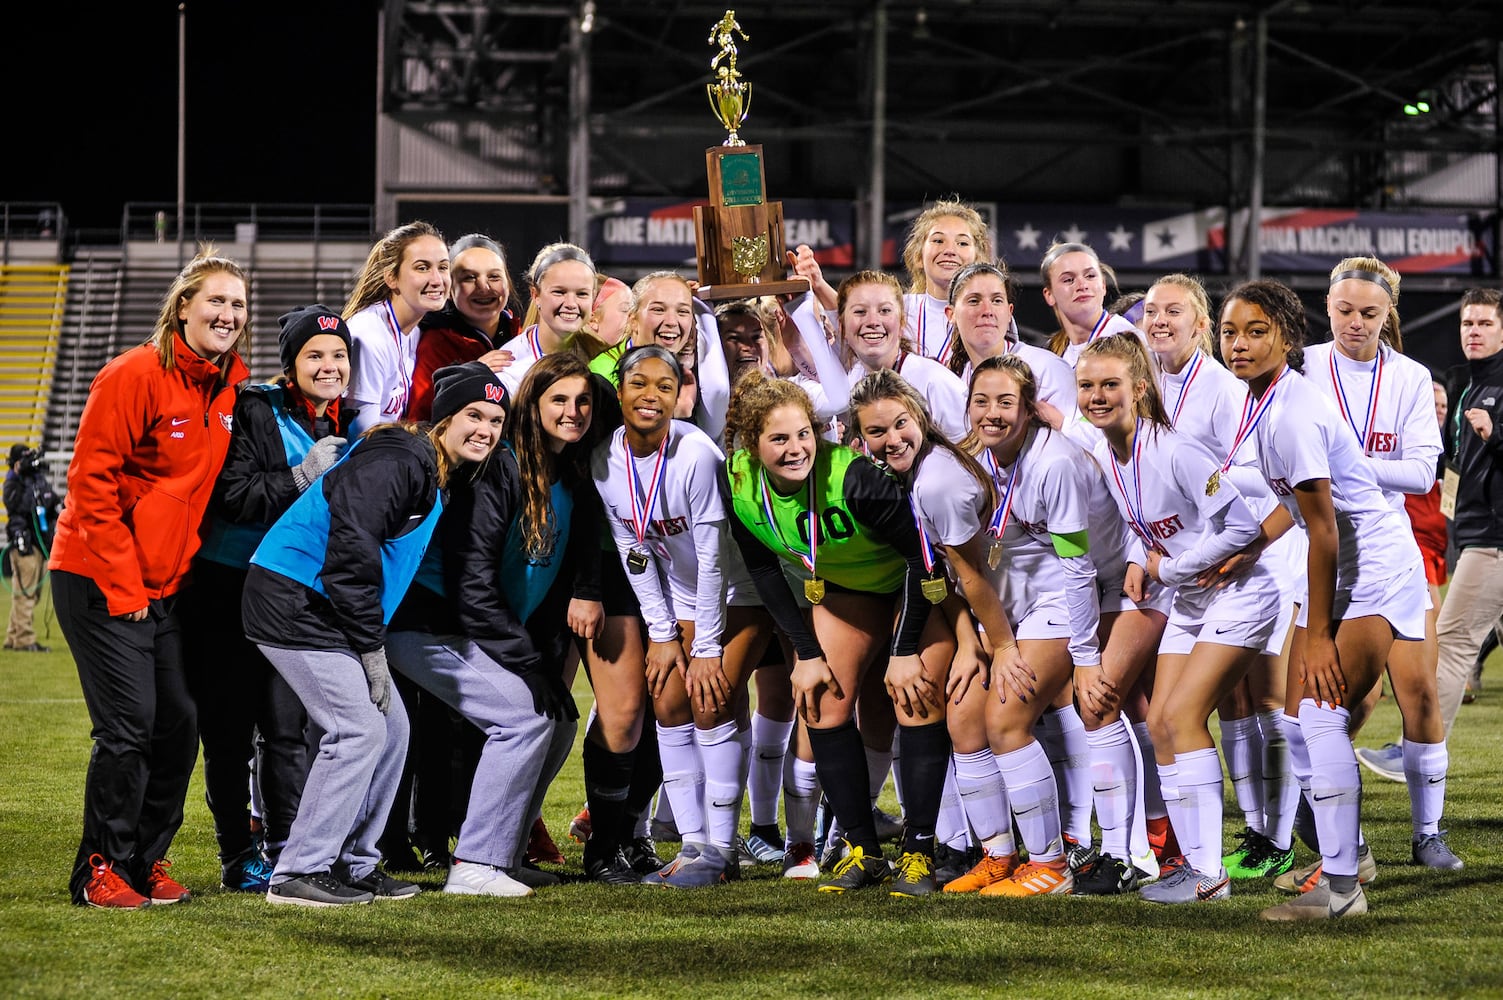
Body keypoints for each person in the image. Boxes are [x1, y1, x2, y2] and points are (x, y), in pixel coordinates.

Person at [242, 367, 499, 907]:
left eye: (496, 420)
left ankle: (352, 863)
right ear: (445, 419)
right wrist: (371, 648)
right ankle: (298, 871)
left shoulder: (429, 466)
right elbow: (349, 556)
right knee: (356, 729)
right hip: (294, 598)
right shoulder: (400, 460)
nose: (486, 429)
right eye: (474, 415)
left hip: (324, 606)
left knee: (392, 728)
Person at [1219, 279, 1427, 921]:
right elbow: (1297, 503)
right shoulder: (1264, 399)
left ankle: (1340, 891)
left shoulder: (1289, 411)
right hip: (1347, 561)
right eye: (1230, 331)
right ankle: (1352, 854)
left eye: (1257, 331)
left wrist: (1313, 634)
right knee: (1296, 722)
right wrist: (1253, 544)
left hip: (1373, 565)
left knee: (1319, 713)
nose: (1240, 344)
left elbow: (1327, 527)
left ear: (1286, 335)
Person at [49, 248, 251, 908]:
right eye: (216, 301)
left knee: (180, 724)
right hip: (99, 577)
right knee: (129, 725)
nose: (228, 313)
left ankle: (144, 859)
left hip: (167, 589)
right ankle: (99, 868)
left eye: (238, 304)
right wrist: (126, 583)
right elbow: (89, 485)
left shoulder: (228, 388)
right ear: (182, 307)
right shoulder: (133, 372)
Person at [1079, 333, 1283, 904]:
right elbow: (1149, 533)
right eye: (1087, 386)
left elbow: (1243, 529)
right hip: (1192, 601)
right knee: (1163, 724)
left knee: (1183, 716)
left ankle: (1209, 874)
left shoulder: (1177, 449)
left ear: (1139, 389)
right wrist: (1140, 565)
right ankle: (1190, 867)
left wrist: (1167, 569)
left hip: (1240, 595)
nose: (1097, 396)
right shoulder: (1108, 455)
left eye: (1110, 385)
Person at [720, 374, 938, 894]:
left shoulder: (855, 477)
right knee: (817, 700)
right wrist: (806, 652)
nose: (796, 449)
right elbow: (766, 573)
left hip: (917, 585)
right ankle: (862, 851)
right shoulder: (739, 481)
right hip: (849, 591)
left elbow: (922, 559)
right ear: (753, 445)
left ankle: (921, 851)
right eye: (779, 439)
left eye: (803, 435)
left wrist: (905, 649)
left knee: (915, 697)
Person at [385, 360, 586, 897]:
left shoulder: (566, 473)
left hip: (467, 627)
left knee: (559, 720)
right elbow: (472, 584)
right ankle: (475, 862)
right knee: (523, 718)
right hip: (426, 622)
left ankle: (507, 854)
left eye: (582, 401)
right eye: (558, 400)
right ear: (532, 407)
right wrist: (524, 662)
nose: (572, 412)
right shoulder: (502, 466)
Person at [183, 305, 354, 893]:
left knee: (287, 726)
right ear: (292, 363)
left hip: (292, 591)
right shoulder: (255, 408)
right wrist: (302, 476)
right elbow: (231, 496)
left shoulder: (346, 420)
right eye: (315, 355)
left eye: (338, 355)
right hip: (228, 585)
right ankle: (237, 853)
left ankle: (288, 850)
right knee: (228, 730)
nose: (328, 366)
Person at [591, 345, 776, 887]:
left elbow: (717, 559)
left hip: (739, 592)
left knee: (708, 696)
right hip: (680, 594)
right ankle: (693, 845)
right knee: (668, 701)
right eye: (639, 385)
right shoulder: (604, 459)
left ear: (680, 395)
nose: (651, 396)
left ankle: (722, 850)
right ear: (620, 391)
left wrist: (707, 647)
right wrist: (663, 634)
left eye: (664, 387)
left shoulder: (694, 453)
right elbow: (633, 547)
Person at [1302, 257, 1459, 871]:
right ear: (1328, 305)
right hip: (1314, 545)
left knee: (1418, 690)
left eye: (1369, 313)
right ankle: (1323, 831)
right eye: (1344, 311)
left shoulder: (1412, 378)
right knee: (1327, 698)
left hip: (1387, 544)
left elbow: (1422, 472)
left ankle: (1428, 833)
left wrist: (1339, 464)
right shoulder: (1304, 366)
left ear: (1388, 313)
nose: (1355, 324)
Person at [848, 370, 1029, 896]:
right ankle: (968, 847)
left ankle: (1033, 853)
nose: (891, 440)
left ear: (920, 417)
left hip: (1016, 605)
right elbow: (942, 575)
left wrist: (996, 646)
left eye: (900, 424)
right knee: (955, 712)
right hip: (983, 607)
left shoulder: (937, 480)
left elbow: (972, 576)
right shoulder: (910, 471)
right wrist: (967, 640)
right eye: (876, 433)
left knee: (972, 710)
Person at [1433, 288, 1503, 741]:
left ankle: (1419, 747)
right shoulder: (1468, 383)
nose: (1473, 332)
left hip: (1494, 537)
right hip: (1474, 529)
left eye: (1484, 324)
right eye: (1467, 324)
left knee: (1452, 644)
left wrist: (1496, 434)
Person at [343, 221, 451, 434]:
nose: (437, 279)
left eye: (443, 267)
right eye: (422, 268)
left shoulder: (415, 330)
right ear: (391, 278)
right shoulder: (368, 335)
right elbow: (360, 437)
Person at [839, 271, 969, 442]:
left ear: (901, 324)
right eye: (860, 312)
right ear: (842, 328)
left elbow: (975, 450)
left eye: (884, 311)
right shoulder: (853, 380)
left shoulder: (933, 381)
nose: (873, 321)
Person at [944, 262, 1078, 420]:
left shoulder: (1047, 369)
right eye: (974, 301)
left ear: (1009, 313)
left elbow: (1085, 436)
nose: (987, 311)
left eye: (997, 300)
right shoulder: (951, 382)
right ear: (951, 314)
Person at [409, 233, 520, 421]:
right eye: (469, 278)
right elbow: (420, 420)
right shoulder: (435, 343)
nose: (484, 287)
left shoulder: (520, 334)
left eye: (494, 277)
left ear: (507, 284)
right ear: (450, 289)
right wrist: (469, 376)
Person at [498, 243, 597, 395]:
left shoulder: (601, 356)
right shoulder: (509, 368)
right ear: (535, 295)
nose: (571, 304)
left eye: (582, 294)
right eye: (559, 292)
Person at [1039, 242, 1139, 366]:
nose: (1082, 285)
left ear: (1103, 285)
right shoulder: (1052, 353)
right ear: (1049, 295)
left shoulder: (1127, 337)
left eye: (1090, 276)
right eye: (1069, 280)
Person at [4, 443, 59, 651]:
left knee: (29, 594)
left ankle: (12, 637)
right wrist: (24, 477)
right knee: (25, 594)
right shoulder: (13, 483)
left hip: (40, 544)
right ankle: (24, 640)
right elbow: (19, 506)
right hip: (25, 545)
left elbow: (50, 501)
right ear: (17, 463)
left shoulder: (37, 479)